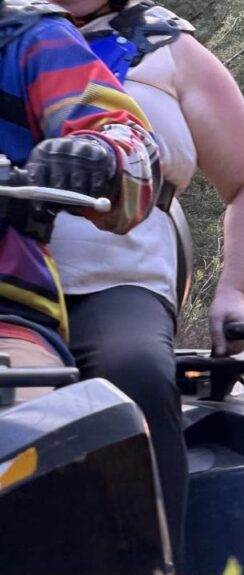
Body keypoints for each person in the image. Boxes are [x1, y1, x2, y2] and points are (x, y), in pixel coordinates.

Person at [49, 0, 244, 565]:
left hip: (113, 280)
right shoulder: (14, 37)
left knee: (134, 376)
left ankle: (153, 559)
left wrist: (234, 291)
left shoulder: (167, 49)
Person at [0, 0, 158, 369]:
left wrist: (99, 153)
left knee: (32, 417)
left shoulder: (32, 36)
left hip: (7, 313)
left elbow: (124, 132)